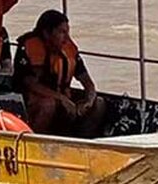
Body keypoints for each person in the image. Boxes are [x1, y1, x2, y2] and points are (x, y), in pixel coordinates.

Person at [13, 9, 105, 137]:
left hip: (64, 98)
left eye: (68, 32)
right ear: (47, 33)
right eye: (62, 32)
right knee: (48, 105)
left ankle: (83, 139)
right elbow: (30, 84)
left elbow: (87, 82)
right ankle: (36, 140)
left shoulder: (69, 49)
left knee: (99, 103)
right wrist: (61, 98)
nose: (66, 38)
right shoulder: (29, 47)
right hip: (33, 102)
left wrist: (88, 101)